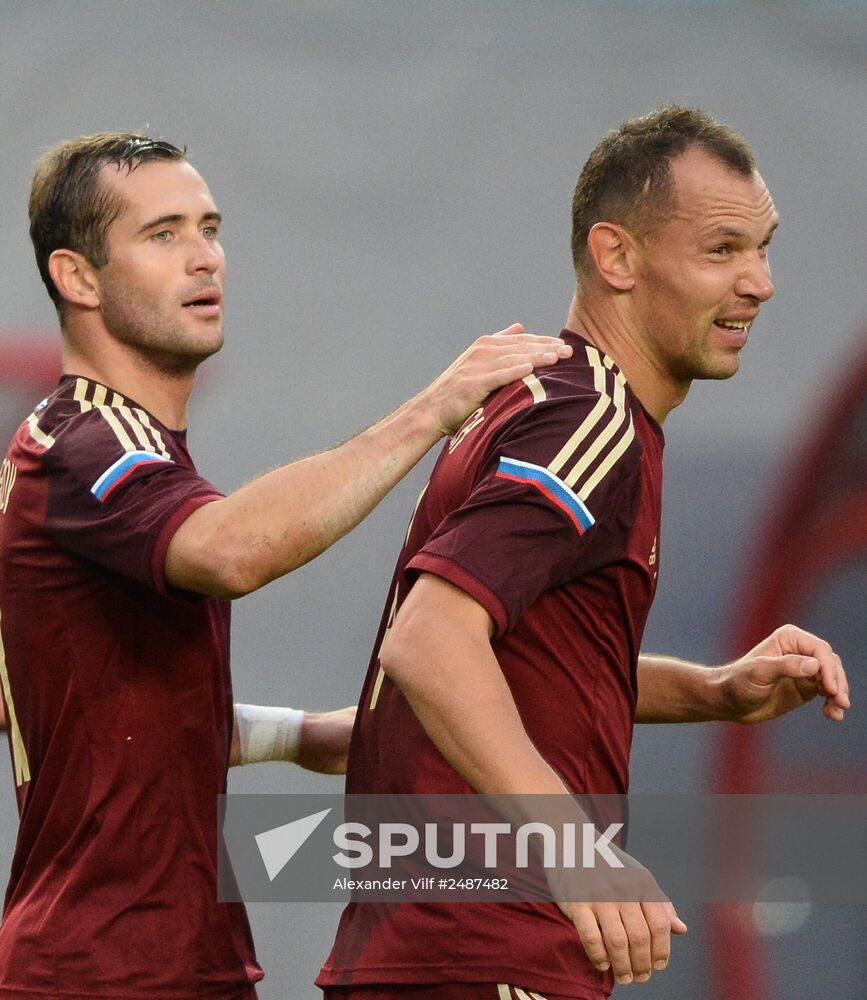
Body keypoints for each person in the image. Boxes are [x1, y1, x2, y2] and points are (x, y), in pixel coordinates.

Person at [0, 131, 574, 999]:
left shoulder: (102, 450)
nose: (204, 258)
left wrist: (293, 735)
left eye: (209, 227)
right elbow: (231, 551)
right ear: (77, 277)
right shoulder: (88, 437)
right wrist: (429, 411)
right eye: (162, 235)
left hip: (165, 963)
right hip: (105, 971)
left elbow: (85, 705)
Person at [318, 106, 851, 999]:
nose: (758, 281)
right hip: (486, 950)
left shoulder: (546, 402)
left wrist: (716, 690)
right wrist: (579, 855)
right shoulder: (589, 419)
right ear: (617, 257)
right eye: (721, 251)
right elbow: (430, 642)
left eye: (763, 248)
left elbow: (527, 653)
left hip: (428, 950)